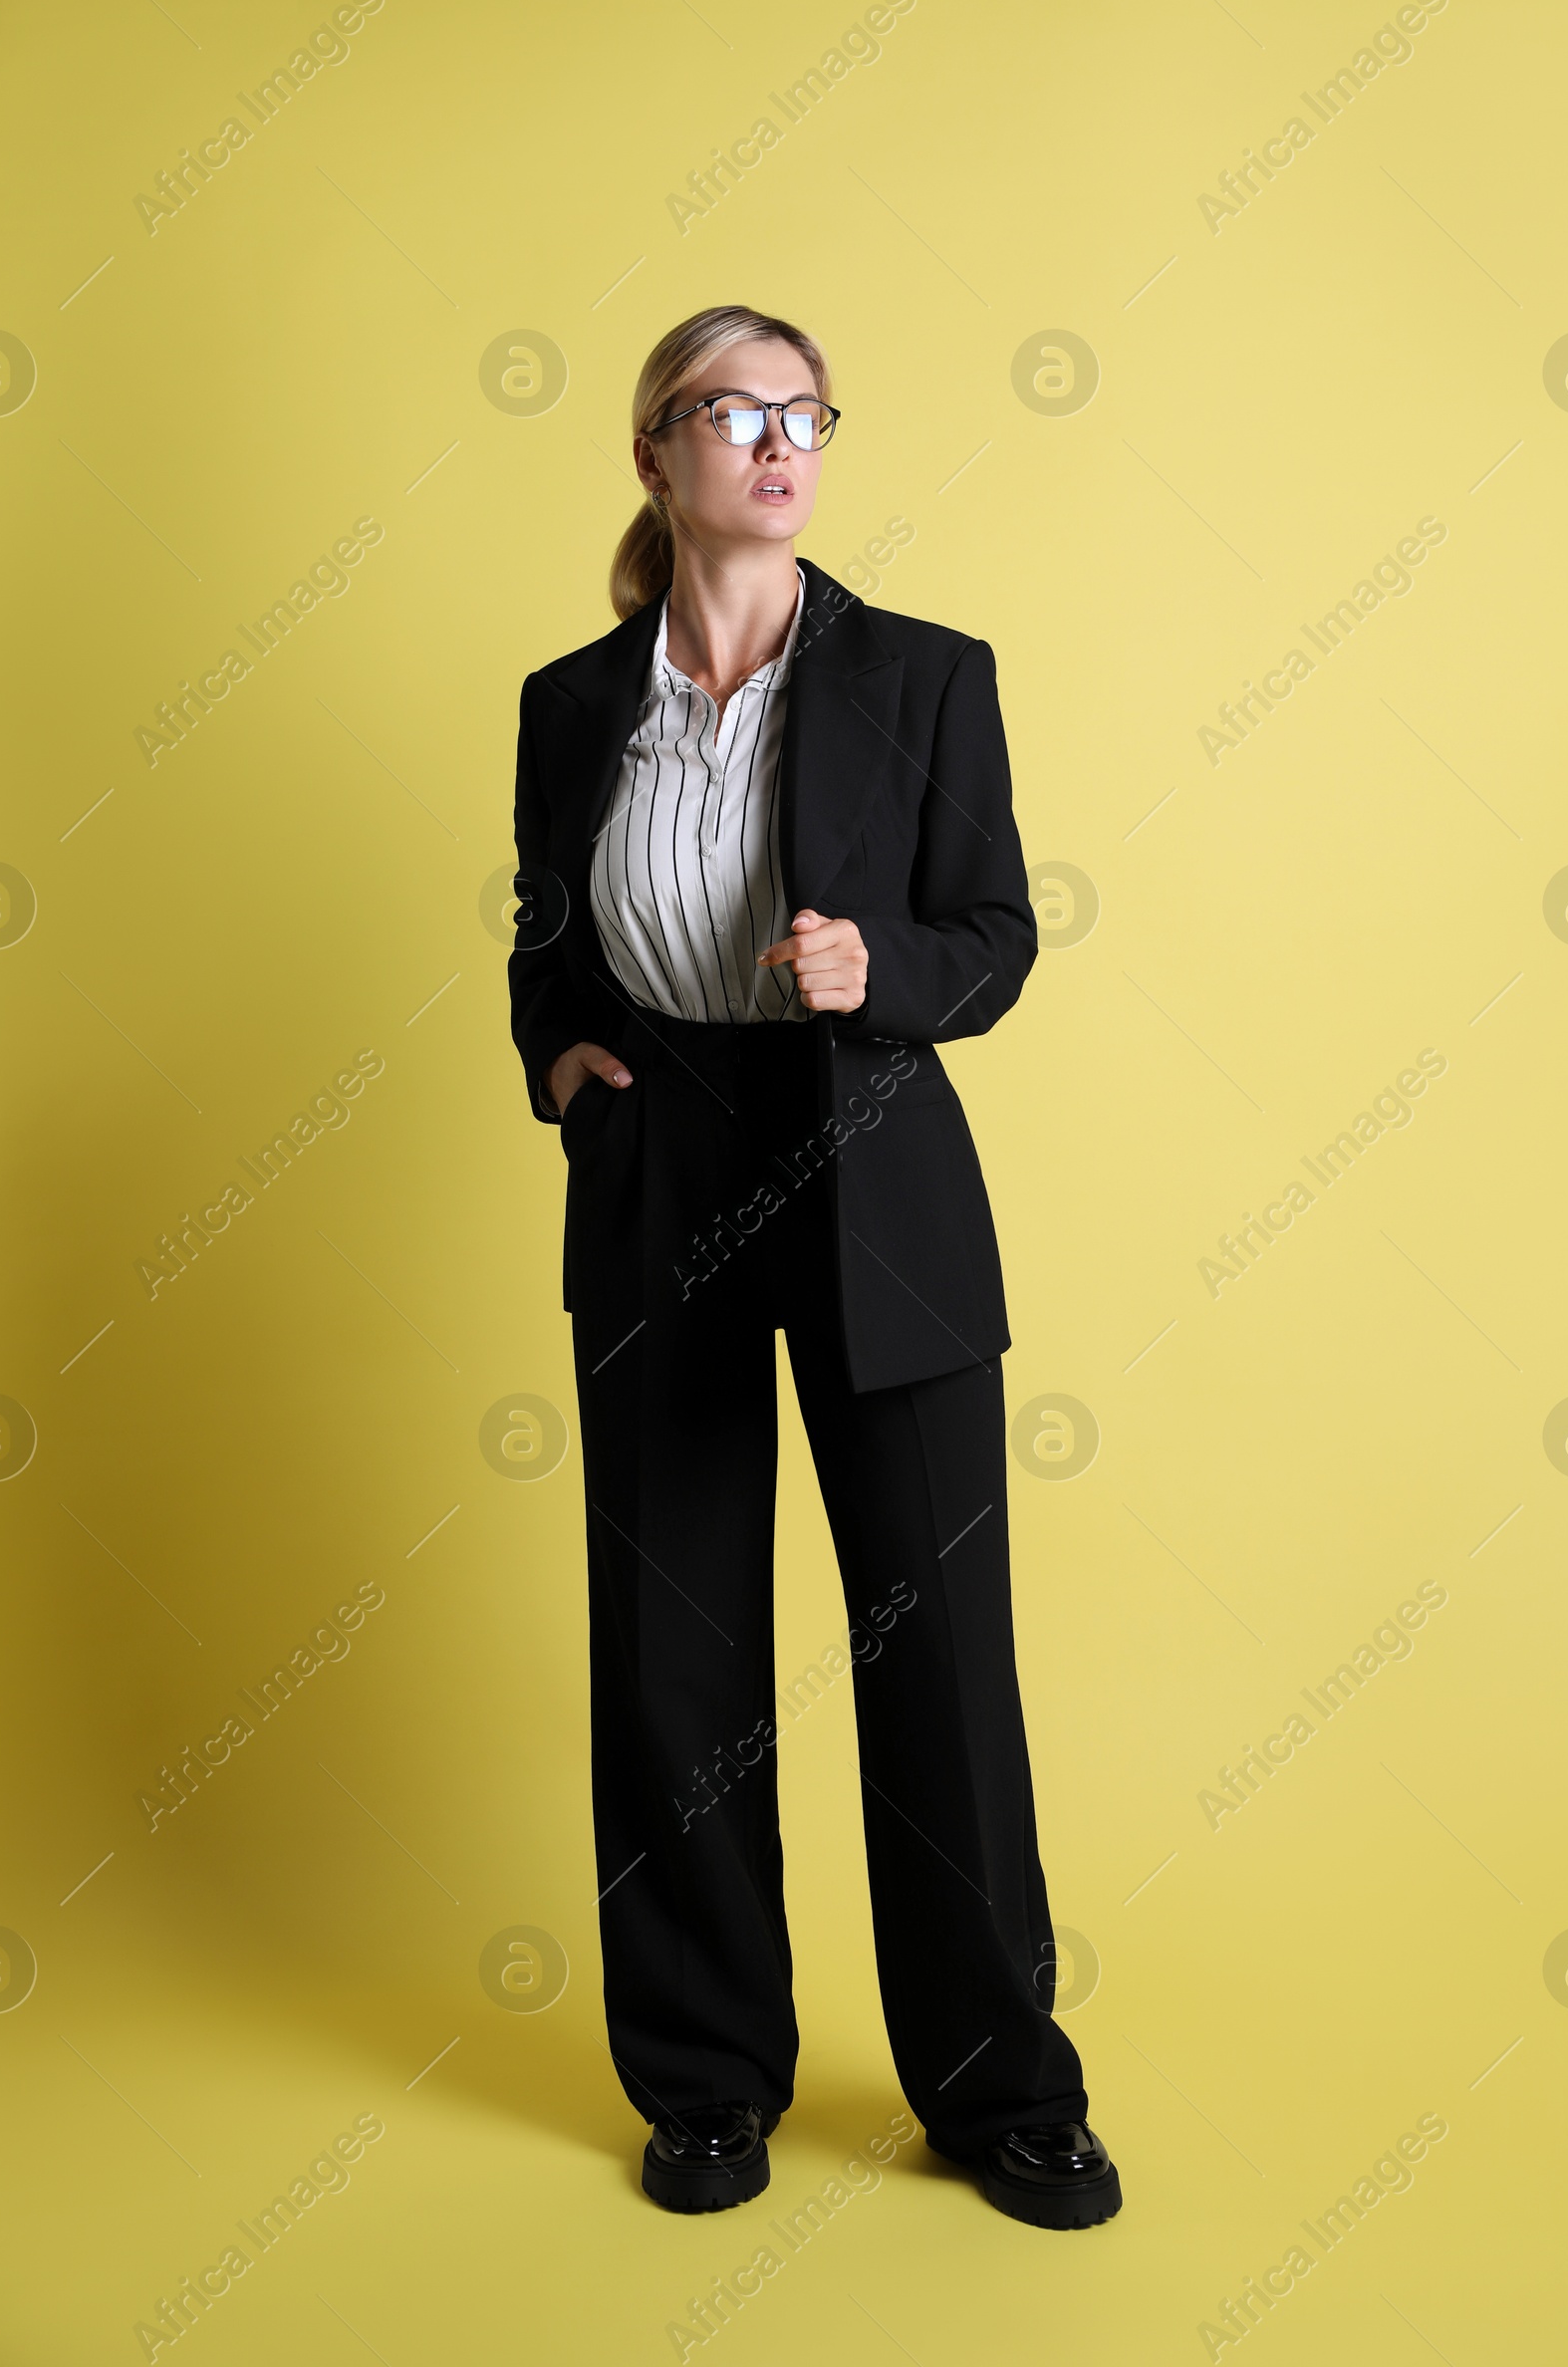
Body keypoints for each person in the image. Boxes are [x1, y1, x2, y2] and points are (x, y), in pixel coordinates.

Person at [507, 304, 1120, 2232]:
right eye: (733, 413)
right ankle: (704, 2084)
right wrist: (558, 1051)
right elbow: (545, 922)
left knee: (937, 1662)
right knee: (674, 1660)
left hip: (873, 1168)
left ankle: (1001, 2091)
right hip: (660, 1169)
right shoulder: (567, 699)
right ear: (655, 454)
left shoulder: (928, 677)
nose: (780, 445)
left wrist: (890, 976)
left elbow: (999, 932)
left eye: (807, 415)